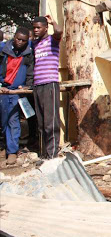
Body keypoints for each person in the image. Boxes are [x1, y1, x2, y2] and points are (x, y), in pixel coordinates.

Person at [0, 27, 34, 165]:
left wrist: (27, 85)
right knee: (3, 120)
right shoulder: (3, 50)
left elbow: (31, 71)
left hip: (16, 92)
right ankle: (6, 146)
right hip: (3, 90)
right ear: (13, 37)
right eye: (18, 39)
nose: (20, 42)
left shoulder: (28, 53)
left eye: (23, 40)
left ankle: (12, 151)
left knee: (13, 121)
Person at [32, 15, 63, 160]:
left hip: (50, 84)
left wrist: (53, 22)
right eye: (34, 28)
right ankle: (44, 154)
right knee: (41, 123)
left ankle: (52, 155)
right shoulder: (36, 44)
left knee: (51, 122)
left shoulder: (53, 40)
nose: (36, 30)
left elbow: (59, 31)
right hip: (37, 85)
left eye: (38, 27)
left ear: (45, 28)